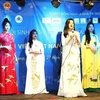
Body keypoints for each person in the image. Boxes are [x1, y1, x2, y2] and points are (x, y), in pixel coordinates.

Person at [57, 18, 87, 98]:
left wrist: (76, 38)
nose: (71, 25)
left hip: (75, 55)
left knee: (75, 72)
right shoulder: (64, 33)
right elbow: (63, 44)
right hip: (67, 55)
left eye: (73, 23)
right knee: (67, 71)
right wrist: (70, 37)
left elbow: (79, 45)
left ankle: (77, 90)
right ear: (67, 24)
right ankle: (67, 91)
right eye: (70, 23)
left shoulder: (77, 33)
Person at [25, 29, 48, 94]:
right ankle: (31, 89)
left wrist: (38, 53)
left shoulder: (40, 43)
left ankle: (39, 89)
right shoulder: (29, 43)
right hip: (32, 61)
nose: (35, 35)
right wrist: (32, 52)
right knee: (32, 74)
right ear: (31, 35)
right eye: (33, 34)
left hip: (38, 61)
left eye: (36, 33)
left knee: (38, 74)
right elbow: (27, 52)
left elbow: (42, 52)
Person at [0, 18, 19, 94]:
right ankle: (3, 90)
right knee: (3, 71)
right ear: (3, 26)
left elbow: (13, 47)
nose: (7, 27)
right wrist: (4, 47)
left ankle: (11, 90)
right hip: (3, 55)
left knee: (11, 71)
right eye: (6, 25)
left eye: (8, 25)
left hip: (10, 56)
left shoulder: (11, 35)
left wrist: (15, 57)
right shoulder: (1, 35)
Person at [81, 22, 100, 92]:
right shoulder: (85, 36)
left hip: (94, 55)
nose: (91, 28)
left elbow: (98, 44)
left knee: (94, 69)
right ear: (87, 28)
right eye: (89, 27)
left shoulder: (96, 36)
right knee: (88, 68)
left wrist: (96, 47)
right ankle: (87, 86)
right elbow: (82, 46)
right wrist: (90, 47)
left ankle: (96, 86)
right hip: (88, 55)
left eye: (92, 27)